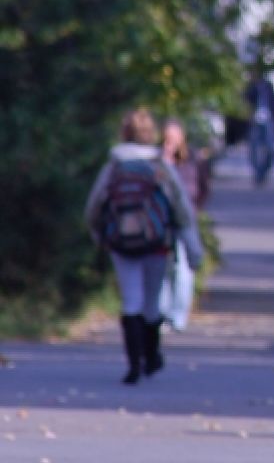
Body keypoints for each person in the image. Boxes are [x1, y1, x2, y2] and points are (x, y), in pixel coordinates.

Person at [84, 108, 204, 385]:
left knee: (131, 301)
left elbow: (94, 205)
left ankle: (133, 364)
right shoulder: (160, 168)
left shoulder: (114, 167)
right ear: (152, 135)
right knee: (152, 302)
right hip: (156, 243)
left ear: (124, 134)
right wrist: (193, 250)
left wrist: (98, 234)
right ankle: (151, 356)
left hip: (121, 244)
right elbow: (182, 210)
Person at [160, 118, 203, 332]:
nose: (170, 144)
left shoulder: (191, 161)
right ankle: (163, 314)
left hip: (185, 220)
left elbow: (202, 187)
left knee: (184, 270)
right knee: (164, 269)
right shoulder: (157, 162)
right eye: (166, 140)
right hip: (162, 222)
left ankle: (178, 316)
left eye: (173, 140)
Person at [243, 69, 274, 186]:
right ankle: (257, 174)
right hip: (255, 120)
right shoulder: (250, 87)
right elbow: (245, 101)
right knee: (254, 149)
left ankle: (263, 172)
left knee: (271, 148)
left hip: (268, 119)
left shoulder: (267, 86)